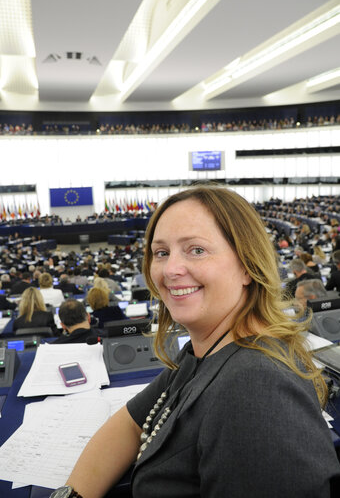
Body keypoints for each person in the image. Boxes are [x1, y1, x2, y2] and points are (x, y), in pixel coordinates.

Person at [49, 186, 340, 498]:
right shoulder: (204, 350)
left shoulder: (257, 389)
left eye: (196, 250)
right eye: (161, 253)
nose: (171, 269)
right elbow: (130, 424)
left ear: (247, 265)